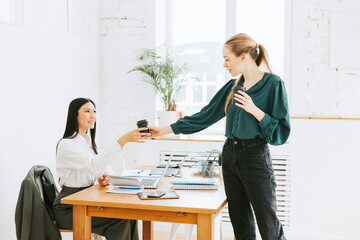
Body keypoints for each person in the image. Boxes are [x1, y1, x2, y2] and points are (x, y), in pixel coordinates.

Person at [148, 33, 290, 240]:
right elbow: (204, 116)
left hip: (255, 156)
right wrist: (163, 130)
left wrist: (254, 110)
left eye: (227, 59)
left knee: (268, 223)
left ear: (243, 57)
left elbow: (280, 133)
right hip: (230, 154)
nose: (224, 64)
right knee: (240, 221)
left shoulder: (274, 84)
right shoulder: (232, 87)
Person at [54, 97, 147, 240]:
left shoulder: (88, 143)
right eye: (87, 111)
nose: (93, 116)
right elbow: (93, 165)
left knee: (130, 215)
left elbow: (103, 167)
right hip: (69, 208)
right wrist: (123, 140)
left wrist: (105, 177)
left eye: (94, 111)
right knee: (120, 220)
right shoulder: (66, 145)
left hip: (86, 201)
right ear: (75, 115)